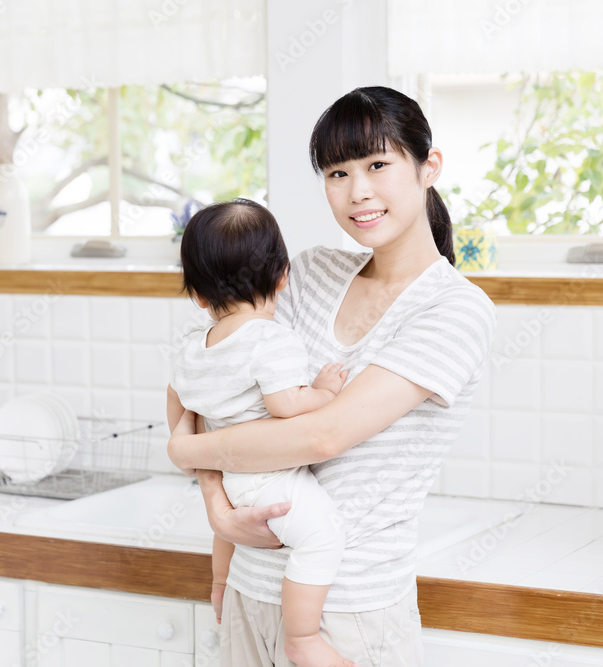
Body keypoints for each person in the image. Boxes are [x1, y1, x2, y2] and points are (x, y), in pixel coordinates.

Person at [167, 86, 496, 667]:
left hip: (350, 611)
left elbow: (322, 435)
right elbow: (216, 387)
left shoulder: (455, 309)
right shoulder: (311, 271)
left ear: (428, 168)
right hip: (249, 588)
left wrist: (185, 450)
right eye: (337, 173)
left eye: (377, 164)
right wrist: (215, 503)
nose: (358, 192)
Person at [166, 198, 356, 667]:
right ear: (282, 276)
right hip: (271, 477)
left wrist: (183, 440)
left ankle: (219, 585)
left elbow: (178, 401)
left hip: (229, 477)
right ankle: (304, 637)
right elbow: (285, 404)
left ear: (199, 295)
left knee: (228, 525)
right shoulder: (273, 340)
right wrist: (324, 392)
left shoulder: (193, 346)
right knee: (323, 537)